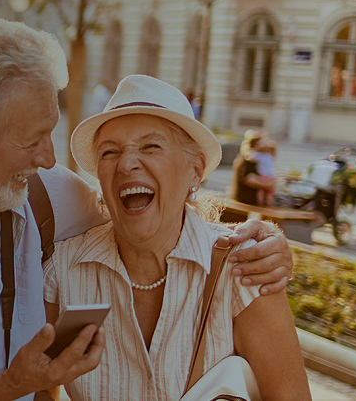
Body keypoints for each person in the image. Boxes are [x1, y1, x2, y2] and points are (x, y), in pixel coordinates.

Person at [0, 15, 295, 400]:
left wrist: (270, 240)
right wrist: (12, 386)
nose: (48, 158)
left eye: (52, 134)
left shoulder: (47, 196)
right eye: (33, 140)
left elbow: (148, 219)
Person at [46, 75, 311, 400]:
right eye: (109, 152)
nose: (127, 163)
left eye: (151, 146)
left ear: (195, 170)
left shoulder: (243, 270)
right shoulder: (63, 273)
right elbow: (44, 387)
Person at [229, 131, 276, 207]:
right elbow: (249, 179)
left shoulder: (249, 157)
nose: (266, 145)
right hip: (246, 200)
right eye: (262, 143)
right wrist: (268, 184)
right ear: (256, 144)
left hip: (245, 199)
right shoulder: (249, 159)